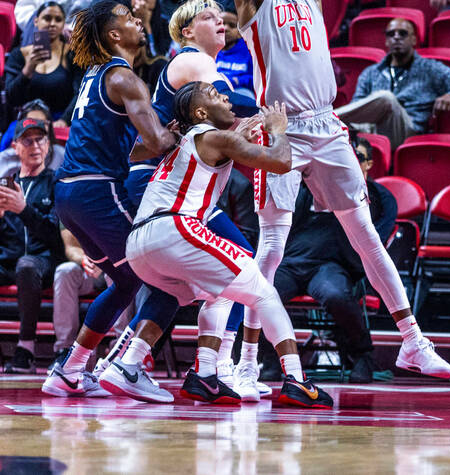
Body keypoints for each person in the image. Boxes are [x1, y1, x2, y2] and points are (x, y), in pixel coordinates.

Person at [231, 0, 450, 388]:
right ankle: (246, 360)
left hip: (326, 123)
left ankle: (412, 342)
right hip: (278, 128)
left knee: (365, 233)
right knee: (272, 248)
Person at [125, 84, 334, 407]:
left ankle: (204, 374)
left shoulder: (185, 141)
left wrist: (239, 137)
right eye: (214, 94)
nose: (225, 97)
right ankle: (296, 379)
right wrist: (278, 130)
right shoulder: (212, 136)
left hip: (139, 243)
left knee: (219, 291)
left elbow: (136, 151)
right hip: (174, 228)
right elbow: (279, 161)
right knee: (264, 291)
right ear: (200, 113)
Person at [123, 0, 265, 398]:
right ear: (187, 31)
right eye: (208, 16)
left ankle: (129, 362)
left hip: (175, 183)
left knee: (178, 286)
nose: (220, 22)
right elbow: (237, 106)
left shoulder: (204, 64)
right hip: (159, 181)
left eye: (222, 17)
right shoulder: (191, 60)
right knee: (238, 265)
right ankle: (217, 368)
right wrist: (282, 111)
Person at [41, 0, 180, 401]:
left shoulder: (95, 75)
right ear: (114, 35)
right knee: (165, 281)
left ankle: (69, 369)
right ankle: (126, 366)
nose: (138, 19)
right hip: (96, 190)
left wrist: (159, 134)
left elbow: (130, 148)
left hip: (69, 194)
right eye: (128, 18)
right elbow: (154, 142)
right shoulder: (124, 78)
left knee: (124, 281)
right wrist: (184, 131)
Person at [272, 136, 396, 384]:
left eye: (357, 156)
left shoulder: (379, 196)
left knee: (336, 296)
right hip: (292, 262)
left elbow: (376, 242)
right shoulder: (306, 186)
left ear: (368, 163)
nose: (349, 159)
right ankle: (270, 359)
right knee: (259, 293)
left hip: (333, 266)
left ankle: (362, 355)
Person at [335, 16, 450, 149]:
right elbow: (358, 108)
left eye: (403, 33)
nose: (397, 37)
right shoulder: (371, 72)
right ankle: (330, 122)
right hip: (372, 130)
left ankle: (329, 119)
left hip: (408, 131)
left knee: (386, 98)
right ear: (386, 41)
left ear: (414, 39)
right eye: (391, 34)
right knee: (341, 129)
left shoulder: (430, 69)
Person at [0, 117, 63, 372]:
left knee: (27, 266)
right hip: (11, 260)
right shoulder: (7, 184)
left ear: (48, 146)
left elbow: (57, 235)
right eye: (28, 140)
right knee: (21, 264)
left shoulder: (57, 183)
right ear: (15, 147)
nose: (35, 145)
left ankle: (25, 349)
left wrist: (24, 210)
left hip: (45, 261)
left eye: (40, 139)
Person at [5, 2, 80, 121]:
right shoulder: (18, 54)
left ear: (63, 24)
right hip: (26, 119)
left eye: (58, 20)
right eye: (47, 18)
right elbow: (11, 98)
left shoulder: (72, 55)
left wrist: (64, 120)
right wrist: (28, 69)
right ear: (36, 21)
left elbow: (80, 94)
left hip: (59, 119)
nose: (52, 24)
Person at [53, 228, 112, 355]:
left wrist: (104, 261)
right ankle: (64, 348)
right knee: (65, 271)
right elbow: (71, 247)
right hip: (89, 270)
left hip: (116, 265)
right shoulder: (69, 207)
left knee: (120, 276)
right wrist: (85, 260)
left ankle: (121, 347)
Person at [215, 9, 252, 97]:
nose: (226, 28)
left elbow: (257, 79)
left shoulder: (250, 49)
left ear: (240, 31)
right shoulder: (207, 48)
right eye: (221, 24)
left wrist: (237, 81)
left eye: (232, 25)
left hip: (241, 93)